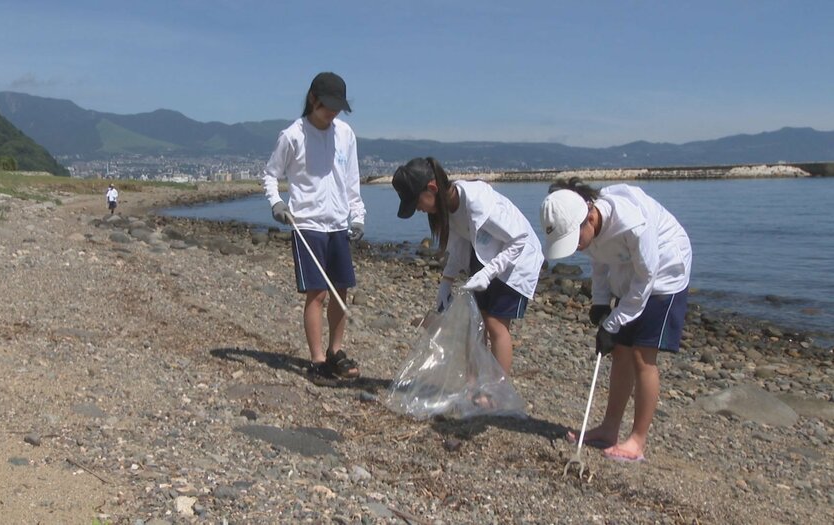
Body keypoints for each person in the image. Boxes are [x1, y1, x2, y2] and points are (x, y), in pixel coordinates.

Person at [540, 177, 692, 462]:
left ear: (589, 216)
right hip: (630, 274)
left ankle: (637, 441)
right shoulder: (591, 229)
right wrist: (600, 302)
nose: (575, 247)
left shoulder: (632, 224)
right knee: (620, 352)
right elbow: (600, 262)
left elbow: (646, 279)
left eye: (574, 238)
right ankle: (609, 429)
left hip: (664, 274)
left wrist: (613, 323)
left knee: (642, 356)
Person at [393, 157, 544, 377]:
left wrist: (489, 273)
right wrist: (446, 281)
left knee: (495, 325)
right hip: (488, 256)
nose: (418, 209)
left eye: (416, 202)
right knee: (475, 323)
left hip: (517, 261)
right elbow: (459, 245)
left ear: (432, 188)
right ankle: (474, 387)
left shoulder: (477, 203)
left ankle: (496, 392)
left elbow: (518, 239)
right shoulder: (449, 208)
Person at [261, 72, 366, 383]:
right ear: (312, 99)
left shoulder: (346, 134)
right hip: (306, 224)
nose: (332, 113)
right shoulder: (292, 135)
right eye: (327, 106)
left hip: (338, 224)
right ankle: (317, 359)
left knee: (341, 290)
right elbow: (270, 174)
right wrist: (276, 203)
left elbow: (352, 180)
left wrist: (358, 215)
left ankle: (336, 351)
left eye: (337, 107)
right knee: (318, 294)